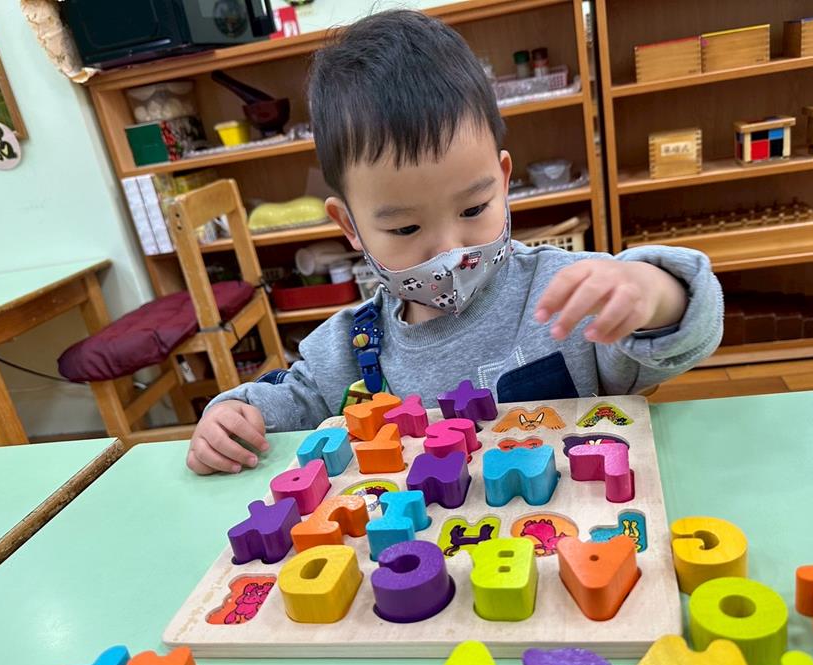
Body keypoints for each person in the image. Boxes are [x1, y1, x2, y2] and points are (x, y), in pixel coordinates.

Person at [186, 10, 722, 475]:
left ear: (502, 181)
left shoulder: (569, 294)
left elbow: (684, 328)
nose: (448, 250)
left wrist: (653, 292)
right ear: (350, 226)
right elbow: (288, 402)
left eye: (473, 209)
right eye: (405, 229)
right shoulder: (350, 349)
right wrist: (231, 418)